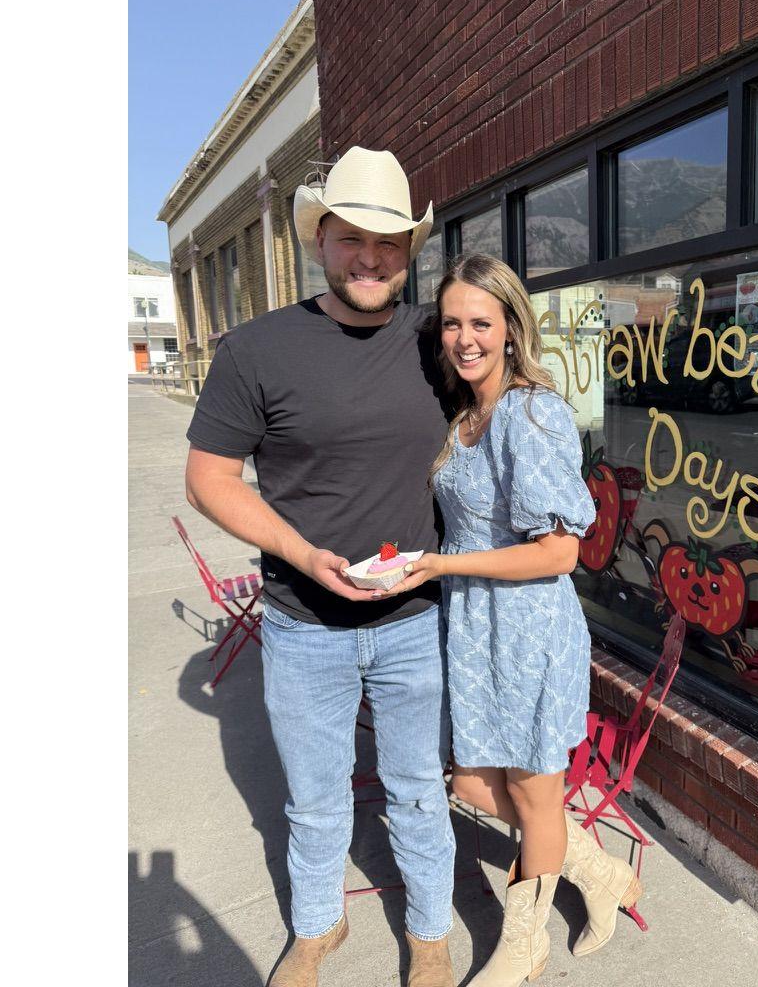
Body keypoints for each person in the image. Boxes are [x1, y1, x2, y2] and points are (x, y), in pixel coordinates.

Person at [184, 146, 456, 987]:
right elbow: (208, 478)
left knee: (419, 789)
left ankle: (431, 934)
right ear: (319, 241)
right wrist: (302, 553)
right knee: (313, 799)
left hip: (415, 619)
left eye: (388, 241)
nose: (369, 257)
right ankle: (317, 927)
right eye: (351, 238)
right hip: (304, 626)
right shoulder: (257, 350)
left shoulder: (439, 341)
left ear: (409, 250)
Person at [385, 255, 642, 987]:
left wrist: (443, 565)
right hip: (474, 629)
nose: (465, 339)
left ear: (510, 328)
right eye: (452, 324)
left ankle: (523, 944)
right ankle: (601, 873)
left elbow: (560, 552)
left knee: (533, 792)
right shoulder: (468, 413)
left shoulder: (531, 414)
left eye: (481, 323)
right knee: (471, 784)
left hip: (528, 631)